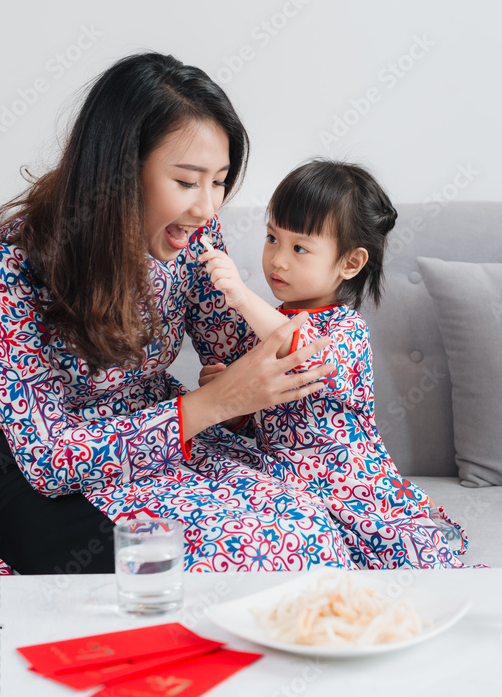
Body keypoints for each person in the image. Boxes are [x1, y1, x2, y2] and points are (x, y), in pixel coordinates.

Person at [0, 52, 358, 574]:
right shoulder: (13, 260)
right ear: (119, 170)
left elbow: (244, 362)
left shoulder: (195, 233)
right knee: (220, 561)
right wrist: (213, 403)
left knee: (309, 534)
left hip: (169, 441)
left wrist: (249, 387)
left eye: (219, 181)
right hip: (45, 477)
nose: (207, 207)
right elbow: (46, 458)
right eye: (186, 181)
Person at [198, 160, 468, 568]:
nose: (277, 260)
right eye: (272, 238)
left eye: (299, 248)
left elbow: (306, 353)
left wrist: (240, 295)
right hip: (284, 474)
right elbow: (261, 412)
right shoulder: (272, 320)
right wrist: (227, 394)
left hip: (345, 480)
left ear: (350, 263)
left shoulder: (344, 329)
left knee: (377, 549)